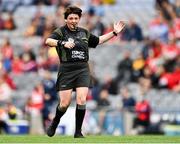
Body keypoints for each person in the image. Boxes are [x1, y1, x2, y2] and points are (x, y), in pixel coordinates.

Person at [45, 5, 125, 138]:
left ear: (79, 19)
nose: (73, 20)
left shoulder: (84, 32)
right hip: (66, 69)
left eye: (76, 18)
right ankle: (55, 122)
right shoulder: (60, 32)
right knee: (64, 104)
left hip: (82, 68)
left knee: (81, 100)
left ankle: (78, 132)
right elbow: (48, 41)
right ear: (66, 20)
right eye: (70, 18)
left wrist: (114, 33)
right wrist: (62, 43)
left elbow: (98, 40)